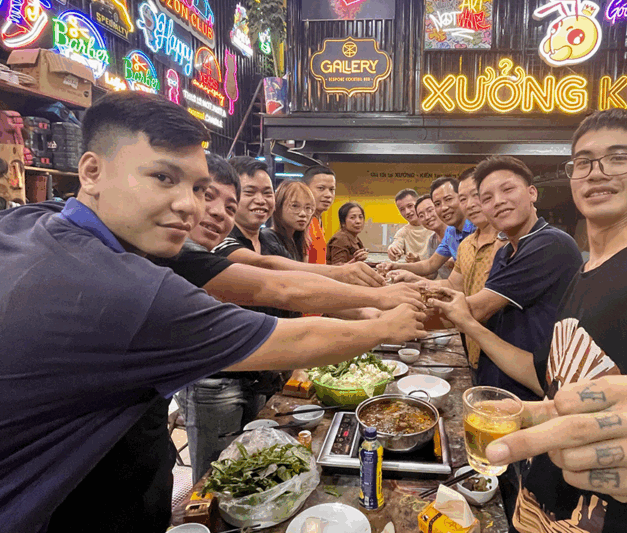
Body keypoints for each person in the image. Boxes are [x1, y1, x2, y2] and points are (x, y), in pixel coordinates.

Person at [0, 92, 427, 533]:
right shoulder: (124, 290)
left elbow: (271, 276)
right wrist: (385, 323)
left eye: (197, 189)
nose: (191, 206)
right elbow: (284, 322)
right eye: (163, 177)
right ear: (92, 172)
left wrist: (367, 296)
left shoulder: (34, 220)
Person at [432, 109, 627, 533]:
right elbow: (547, 377)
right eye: (583, 162)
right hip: (543, 510)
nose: (596, 172)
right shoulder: (583, 274)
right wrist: (526, 413)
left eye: (618, 158)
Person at [165, 157, 425, 482]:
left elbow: (297, 291)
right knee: (217, 478)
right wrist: (377, 306)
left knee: (254, 468)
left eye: (264, 192)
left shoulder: (270, 240)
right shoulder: (209, 248)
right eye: (207, 196)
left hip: (263, 372)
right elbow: (281, 286)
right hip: (219, 381)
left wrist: (371, 310)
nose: (219, 212)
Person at [460, 156, 582, 400]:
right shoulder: (505, 251)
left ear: (532, 193)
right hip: (497, 380)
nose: (498, 201)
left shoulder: (550, 243)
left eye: (507, 189)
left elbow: (478, 309)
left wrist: (391, 311)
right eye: (487, 198)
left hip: (531, 393)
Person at [216, 160, 383, 287]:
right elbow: (276, 269)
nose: (260, 200)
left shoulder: (269, 240)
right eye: (249, 192)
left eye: (267, 193)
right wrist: (340, 272)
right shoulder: (222, 241)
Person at [432, 168, 503, 371]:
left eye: (477, 195)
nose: (471, 204)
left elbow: (480, 308)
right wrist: (414, 287)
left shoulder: (512, 242)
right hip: (473, 347)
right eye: (464, 198)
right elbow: (453, 285)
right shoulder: (466, 244)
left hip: (506, 351)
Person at [386, 177, 475, 279]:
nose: (444, 207)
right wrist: (396, 266)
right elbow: (430, 265)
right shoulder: (450, 234)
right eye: (438, 204)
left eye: (448, 199)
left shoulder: (477, 227)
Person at [261, 180, 316, 262]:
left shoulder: (296, 239)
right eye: (295, 206)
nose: (303, 214)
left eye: (308, 208)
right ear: (278, 206)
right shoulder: (268, 237)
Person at [303, 165, 337, 267]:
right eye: (321, 188)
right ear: (305, 189)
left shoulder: (318, 221)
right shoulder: (302, 223)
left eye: (332, 189)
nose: (328, 195)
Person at [387, 188, 432, 262]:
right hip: (413, 269)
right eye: (402, 209)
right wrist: (392, 249)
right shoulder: (403, 232)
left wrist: (419, 260)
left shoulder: (434, 227)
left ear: (418, 204)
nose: (407, 212)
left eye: (410, 206)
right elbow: (396, 244)